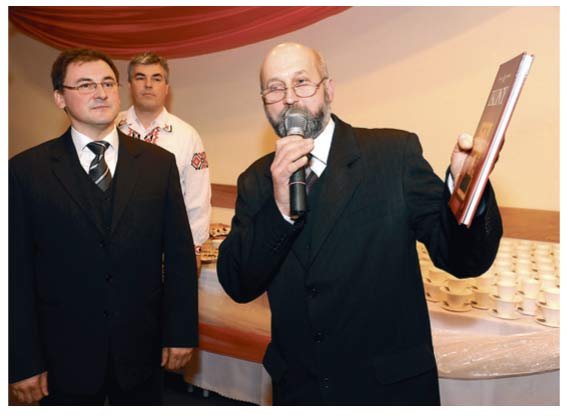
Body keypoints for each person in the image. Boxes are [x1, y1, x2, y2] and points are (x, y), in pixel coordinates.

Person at [217, 42, 502, 405]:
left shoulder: (392, 154)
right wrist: (280, 209)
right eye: (274, 88)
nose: (288, 97)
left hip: (387, 391)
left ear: (329, 89)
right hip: (301, 391)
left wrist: (467, 190)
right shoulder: (256, 180)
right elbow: (237, 283)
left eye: (302, 82)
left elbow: (463, 259)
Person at [9, 49, 198, 405]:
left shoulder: (158, 164)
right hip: (63, 354)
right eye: (85, 85)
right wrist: (21, 360)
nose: (100, 93)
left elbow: (179, 255)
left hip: (141, 348)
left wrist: (181, 331)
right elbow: (15, 273)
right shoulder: (25, 172)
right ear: (59, 98)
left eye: (108, 83)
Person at [117, 52, 211, 264]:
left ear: (167, 88)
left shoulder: (187, 136)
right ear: (130, 85)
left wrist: (194, 249)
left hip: (167, 247)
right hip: (114, 246)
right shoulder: (109, 128)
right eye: (140, 77)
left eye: (156, 78)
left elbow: (198, 199)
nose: (148, 84)